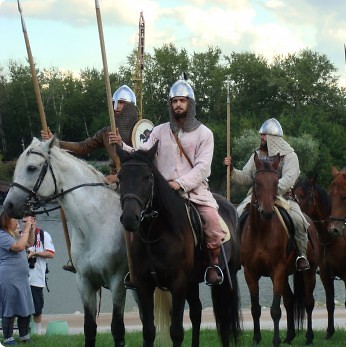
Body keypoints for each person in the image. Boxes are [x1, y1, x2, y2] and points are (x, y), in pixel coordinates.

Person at [114, 76, 226, 286]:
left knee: (212, 221)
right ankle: (135, 268)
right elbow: (142, 153)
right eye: (174, 101)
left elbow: (203, 168)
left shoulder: (205, 134)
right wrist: (121, 145)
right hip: (160, 194)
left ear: (190, 103)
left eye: (182, 101)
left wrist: (179, 183)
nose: (178, 105)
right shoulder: (159, 131)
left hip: (193, 192)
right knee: (132, 222)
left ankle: (212, 264)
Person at [41, 84, 138, 273]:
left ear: (131, 107)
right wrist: (56, 141)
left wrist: (119, 176)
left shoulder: (141, 130)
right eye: (114, 104)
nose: (117, 107)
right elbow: (83, 147)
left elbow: (144, 160)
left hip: (134, 182)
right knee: (83, 206)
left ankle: (138, 256)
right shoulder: (106, 132)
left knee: (136, 212)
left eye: (122, 103)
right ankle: (82, 254)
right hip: (110, 182)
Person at [223, 118, 310, 271]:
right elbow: (247, 176)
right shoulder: (257, 154)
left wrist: (270, 190)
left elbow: (289, 179)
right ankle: (235, 254)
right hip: (257, 197)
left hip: (284, 196)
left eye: (264, 135)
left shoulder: (290, 156)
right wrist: (232, 171)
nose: (261, 138)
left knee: (298, 220)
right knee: (235, 216)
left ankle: (301, 255)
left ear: (273, 137)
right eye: (261, 135)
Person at [0, 212, 36, 345]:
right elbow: (19, 247)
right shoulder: (2, 235)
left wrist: (31, 229)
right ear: (6, 221)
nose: (17, 222)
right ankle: (8, 338)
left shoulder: (14, 235)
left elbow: (29, 243)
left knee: (24, 307)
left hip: (21, 279)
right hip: (9, 278)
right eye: (14, 219)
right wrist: (26, 229)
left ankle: (24, 336)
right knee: (10, 309)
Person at [26, 215, 55, 335]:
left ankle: (37, 333)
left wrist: (35, 254)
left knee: (37, 308)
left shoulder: (44, 235)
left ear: (35, 221)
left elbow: (51, 253)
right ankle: (25, 333)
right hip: (21, 278)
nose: (28, 224)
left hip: (37, 278)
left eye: (30, 222)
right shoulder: (20, 235)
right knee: (22, 309)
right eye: (25, 222)